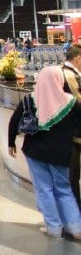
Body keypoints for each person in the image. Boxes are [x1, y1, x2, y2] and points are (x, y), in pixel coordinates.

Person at [8, 66, 81, 239]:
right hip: (61, 153)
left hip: (35, 151)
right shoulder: (72, 103)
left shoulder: (30, 100)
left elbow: (14, 122)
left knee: (44, 190)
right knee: (63, 189)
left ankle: (54, 227)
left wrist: (11, 143)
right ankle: (75, 227)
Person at [62, 45, 81, 207]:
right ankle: (75, 211)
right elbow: (78, 100)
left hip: (72, 131)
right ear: (78, 58)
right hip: (73, 132)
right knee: (73, 174)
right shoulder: (69, 75)